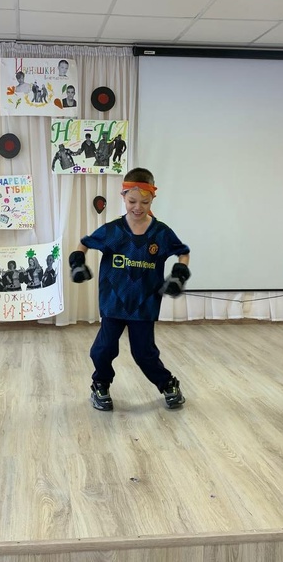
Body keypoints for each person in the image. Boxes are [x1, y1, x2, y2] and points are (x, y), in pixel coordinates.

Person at [69, 167, 191, 411]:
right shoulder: (112, 231)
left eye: (144, 202)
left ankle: (167, 383)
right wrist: (78, 263)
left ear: (152, 198)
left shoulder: (161, 233)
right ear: (123, 196)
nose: (138, 207)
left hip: (144, 305)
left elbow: (183, 252)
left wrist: (178, 276)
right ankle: (100, 385)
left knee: (144, 353)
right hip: (113, 303)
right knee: (103, 349)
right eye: (132, 201)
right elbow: (84, 244)